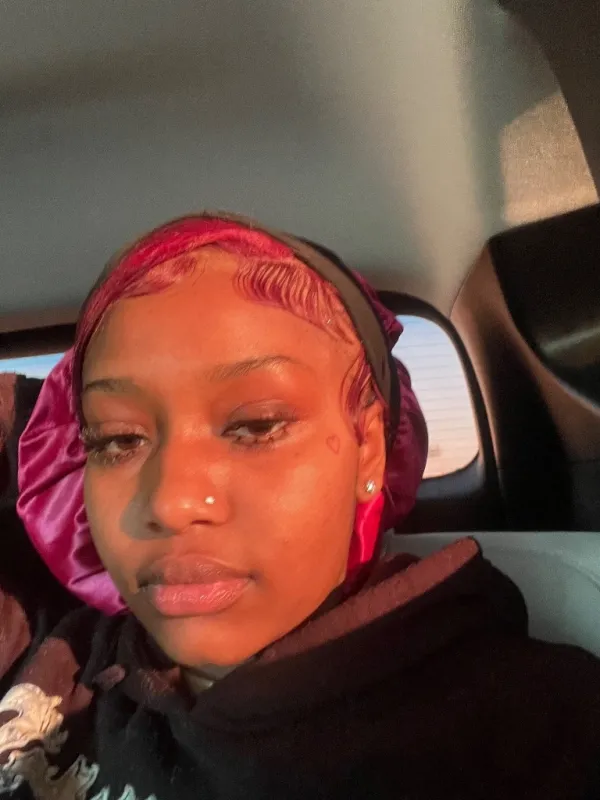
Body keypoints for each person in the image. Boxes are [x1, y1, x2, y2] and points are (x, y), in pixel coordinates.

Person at [0, 212, 599, 800]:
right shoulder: (64, 650)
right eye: (118, 439)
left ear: (369, 450)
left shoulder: (532, 732)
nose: (171, 502)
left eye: (257, 425)